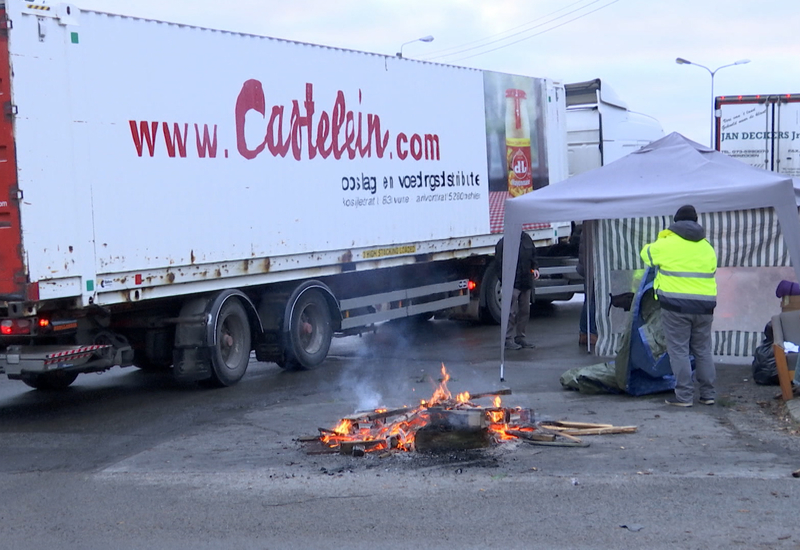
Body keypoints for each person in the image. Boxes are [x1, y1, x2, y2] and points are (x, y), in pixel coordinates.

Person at [639, 205, 718, 407]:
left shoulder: (667, 243)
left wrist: (662, 238)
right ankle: (708, 395)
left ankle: (684, 396)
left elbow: (645, 254)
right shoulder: (706, 246)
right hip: (705, 307)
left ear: (675, 222)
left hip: (676, 307)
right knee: (703, 350)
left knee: (679, 350)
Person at [496, 232, 540, 350]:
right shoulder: (503, 242)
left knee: (525, 310)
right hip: (512, 283)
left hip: (525, 282)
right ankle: (507, 339)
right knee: (510, 313)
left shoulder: (527, 239)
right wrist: (505, 280)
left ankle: (520, 337)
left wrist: (535, 268)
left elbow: (533, 256)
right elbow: (498, 264)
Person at [576, 225, 597, 348]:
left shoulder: (586, 229)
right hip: (591, 269)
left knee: (589, 300)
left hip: (586, 268)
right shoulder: (591, 231)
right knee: (591, 301)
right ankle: (589, 333)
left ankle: (584, 333)